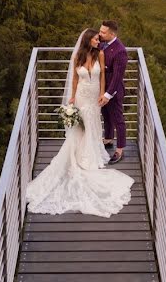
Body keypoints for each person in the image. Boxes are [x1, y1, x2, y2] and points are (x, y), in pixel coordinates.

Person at [25, 29, 133, 217]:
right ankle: (79, 155)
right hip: (82, 96)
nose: (98, 41)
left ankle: (93, 150)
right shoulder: (79, 56)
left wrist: (102, 94)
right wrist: (73, 97)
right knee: (80, 128)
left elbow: (103, 77)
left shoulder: (99, 54)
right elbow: (75, 78)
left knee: (93, 124)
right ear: (87, 40)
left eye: (99, 38)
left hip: (94, 97)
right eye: (95, 38)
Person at [98, 20, 127, 164]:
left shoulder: (120, 51)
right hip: (102, 89)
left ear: (112, 34)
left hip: (113, 92)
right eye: (100, 30)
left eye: (103, 32)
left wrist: (108, 95)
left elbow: (117, 77)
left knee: (118, 120)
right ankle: (108, 139)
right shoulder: (103, 43)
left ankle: (120, 150)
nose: (100, 33)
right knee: (106, 116)